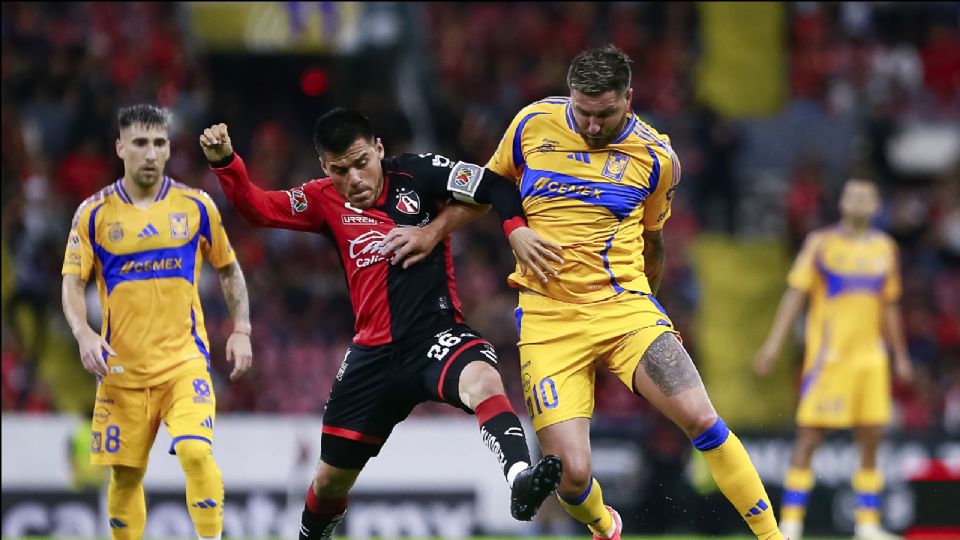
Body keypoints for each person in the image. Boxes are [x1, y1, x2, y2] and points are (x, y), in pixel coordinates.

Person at [385, 44, 786, 540]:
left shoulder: (658, 158)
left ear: (628, 99)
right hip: (549, 322)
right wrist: (430, 233)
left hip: (624, 309)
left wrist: (650, 313)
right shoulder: (533, 125)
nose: (592, 126)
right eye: (583, 112)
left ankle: (775, 537)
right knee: (571, 476)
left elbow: (652, 241)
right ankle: (604, 525)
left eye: (605, 114)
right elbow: (487, 190)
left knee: (702, 418)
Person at [199, 107, 565, 540]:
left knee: (484, 379)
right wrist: (227, 163)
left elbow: (495, 186)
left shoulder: (421, 173)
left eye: (360, 163)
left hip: (436, 336)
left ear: (378, 149)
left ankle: (520, 478)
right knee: (329, 481)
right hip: (372, 355)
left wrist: (502, 229)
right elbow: (258, 208)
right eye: (339, 170)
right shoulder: (321, 198)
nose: (353, 178)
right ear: (325, 168)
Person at [61, 104, 253, 540]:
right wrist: (83, 332)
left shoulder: (197, 206)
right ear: (120, 147)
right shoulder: (93, 214)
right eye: (141, 143)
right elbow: (72, 283)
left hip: (184, 362)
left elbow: (228, 267)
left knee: (194, 452)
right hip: (120, 369)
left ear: (169, 149)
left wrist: (241, 329)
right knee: (126, 477)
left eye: (160, 143)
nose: (151, 153)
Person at [754, 178, 912, 540]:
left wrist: (900, 356)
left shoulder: (885, 249)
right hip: (829, 361)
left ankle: (867, 525)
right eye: (852, 195)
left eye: (866, 196)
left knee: (871, 437)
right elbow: (795, 296)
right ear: (841, 203)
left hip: (871, 360)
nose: (858, 201)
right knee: (809, 438)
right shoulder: (821, 244)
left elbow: (889, 306)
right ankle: (791, 525)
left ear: (875, 206)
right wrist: (773, 345)